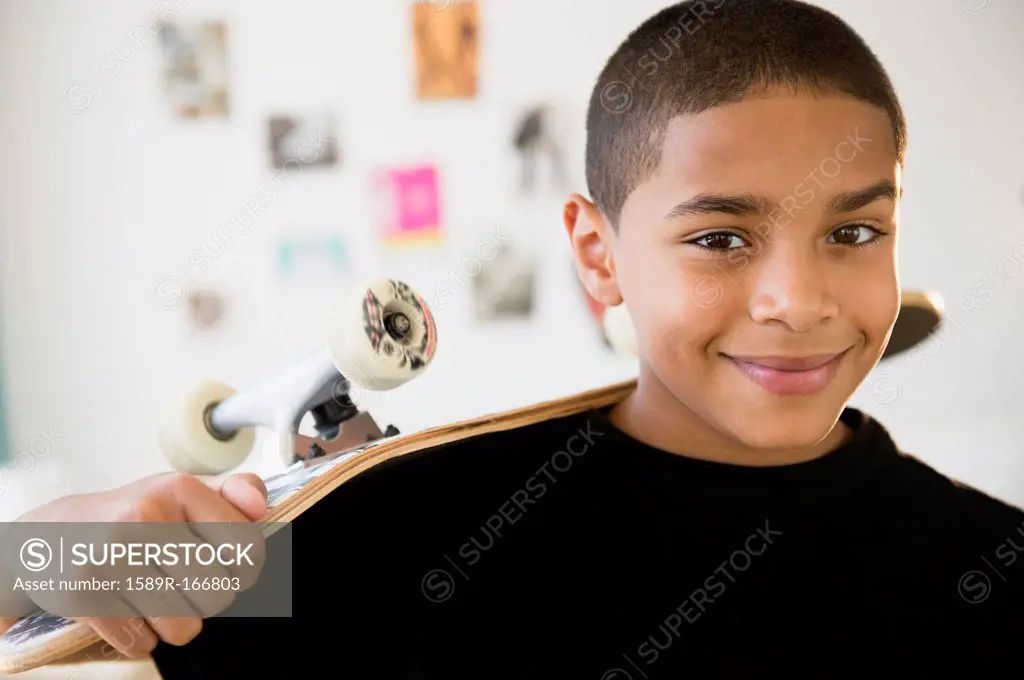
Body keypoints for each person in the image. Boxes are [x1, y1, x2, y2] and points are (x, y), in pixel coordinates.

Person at [5, 0, 1024, 676]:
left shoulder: (990, 562)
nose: (799, 300)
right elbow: (32, 600)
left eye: (853, 231)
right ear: (598, 252)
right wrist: (44, 546)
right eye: (720, 237)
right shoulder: (402, 520)